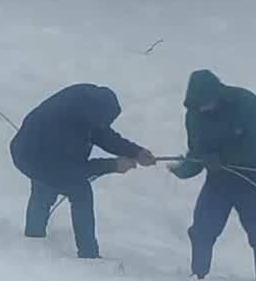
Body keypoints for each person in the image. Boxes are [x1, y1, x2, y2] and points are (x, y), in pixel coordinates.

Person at [10, 83, 155, 259]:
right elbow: (73, 170)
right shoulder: (64, 125)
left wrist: (135, 151)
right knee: (79, 191)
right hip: (30, 156)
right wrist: (113, 165)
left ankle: (34, 237)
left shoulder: (86, 105)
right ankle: (87, 254)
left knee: (47, 187)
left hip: (41, 149)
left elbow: (101, 133)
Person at [168, 69, 256, 281]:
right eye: (198, 106)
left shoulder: (247, 103)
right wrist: (186, 169)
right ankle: (198, 279)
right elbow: (198, 151)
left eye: (206, 104)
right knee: (202, 229)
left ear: (216, 95)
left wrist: (222, 159)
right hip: (219, 180)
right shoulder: (194, 114)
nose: (202, 110)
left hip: (253, 177)